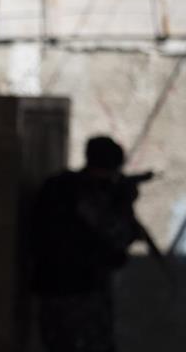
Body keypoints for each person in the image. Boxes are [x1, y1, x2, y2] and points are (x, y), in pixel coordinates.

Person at [32, 136, 145, 352]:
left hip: (52, 289)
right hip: (81, 292)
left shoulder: (57, 185)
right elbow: (118, 235)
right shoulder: (87, 195)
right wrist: (124, 202)